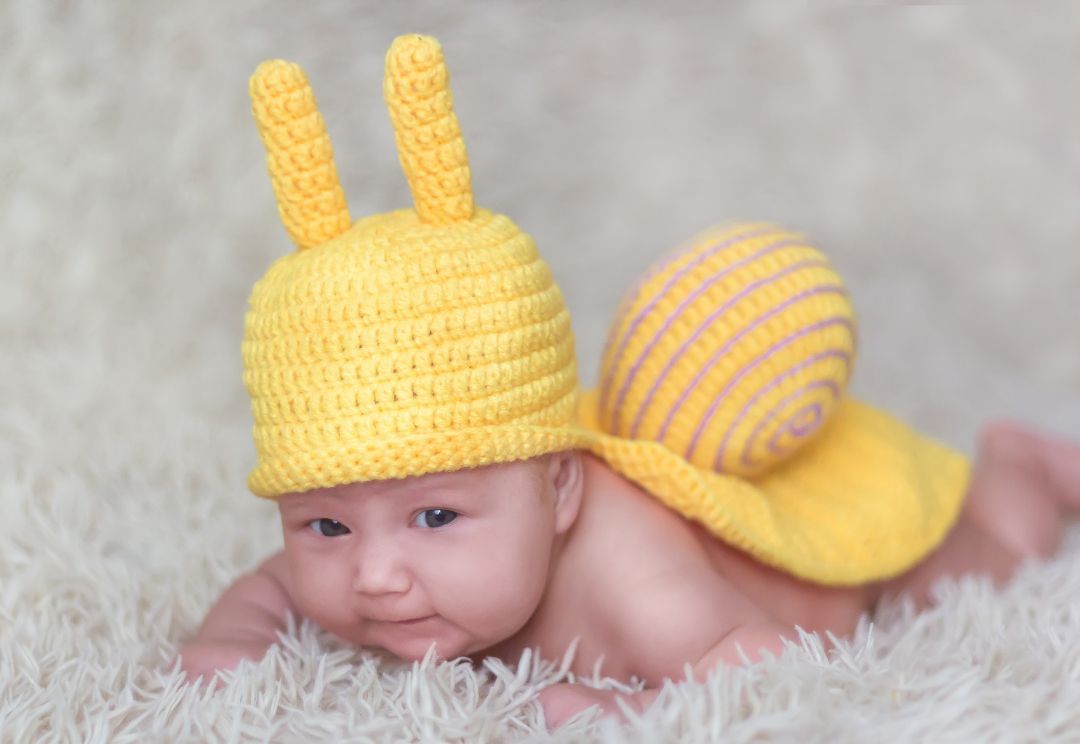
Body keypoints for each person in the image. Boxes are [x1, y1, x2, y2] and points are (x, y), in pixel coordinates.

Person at [178, 35, 1080, 729]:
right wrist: (232, 642)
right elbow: (275, 585)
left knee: (979, 566)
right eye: (324, 524)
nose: (373, 576)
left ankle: (1019, 470)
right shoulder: (376, 549)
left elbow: (769, 663)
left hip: (833, 528)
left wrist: (636, 715)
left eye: (436, 516)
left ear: (560, 489)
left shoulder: (629, 579)